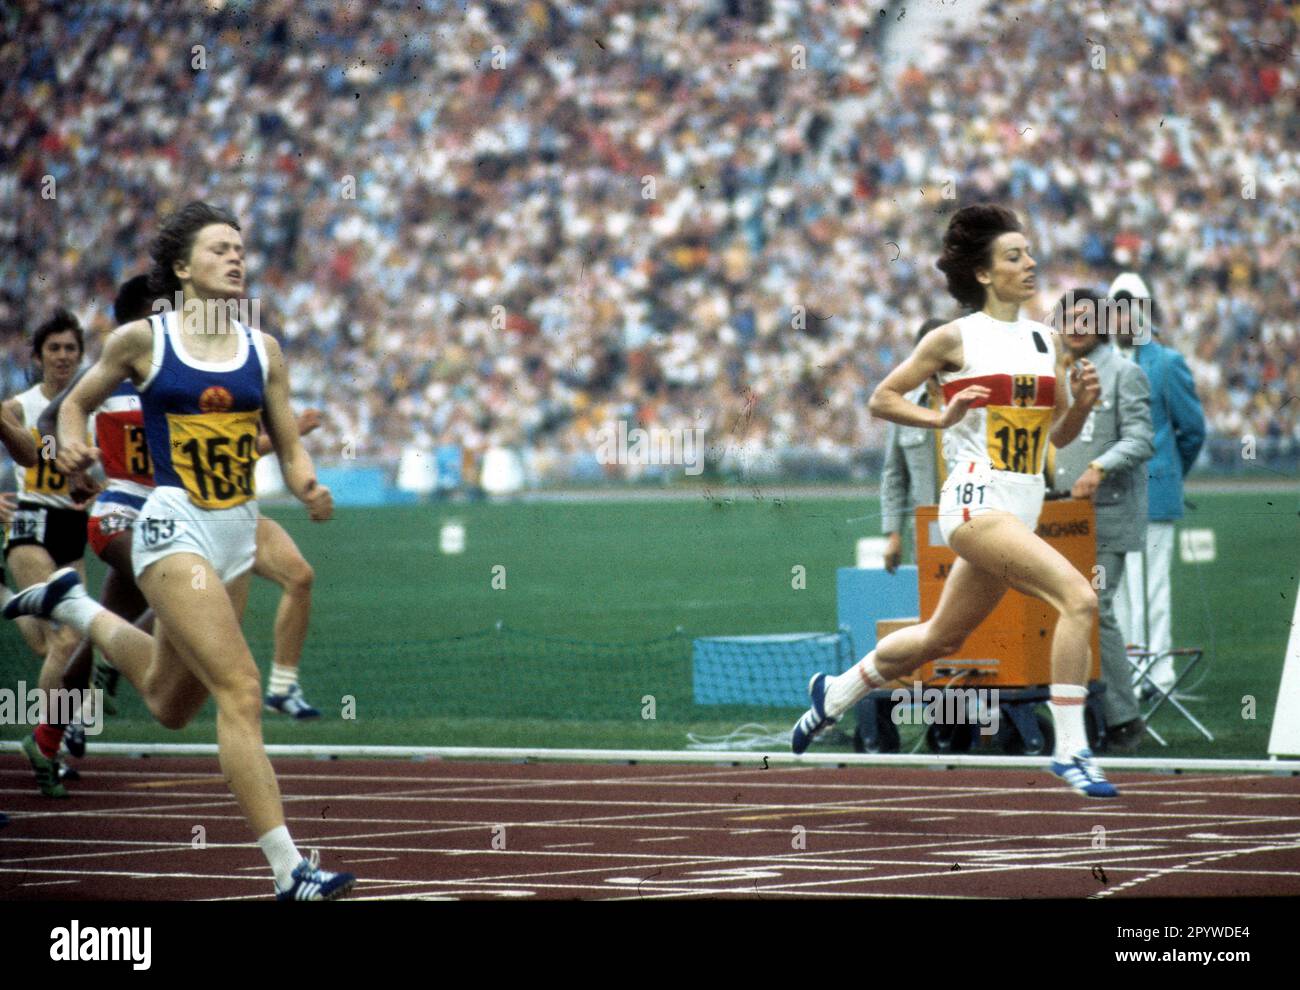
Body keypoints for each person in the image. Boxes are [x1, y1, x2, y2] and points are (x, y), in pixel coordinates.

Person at [4, 202, 353, 899]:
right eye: (220, 248)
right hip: (173, 527)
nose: (236, 258)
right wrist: (71, 436)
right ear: (183, 268)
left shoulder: (265, 350)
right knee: (242, 690)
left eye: (240, 248)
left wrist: (310, 486)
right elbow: (72, 403)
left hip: (235, 534)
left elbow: (286, 445)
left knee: (170, 701)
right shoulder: (143, 340)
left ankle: (74, 607)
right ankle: (291, 870)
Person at [790, 203, 1117, 797]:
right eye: (1014, 255)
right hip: (973, 502)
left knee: (942, 638)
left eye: (1030, 252)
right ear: (985, 274)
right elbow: (881, 399)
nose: (1031, 262)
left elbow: (1056, 440)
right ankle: (1071, 750)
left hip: (1020, 507)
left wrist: (1085, 406)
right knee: (1078, 598)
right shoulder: (954, 338)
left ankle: (834, 692)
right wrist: (940, 418)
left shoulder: (1048, 342)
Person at [1046, 288, 1154, 754]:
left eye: (1087, 318)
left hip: (1106, 514)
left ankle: (1124, 719)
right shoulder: (1053, 375)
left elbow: (1142, 439)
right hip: (1058, 513)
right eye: (1069, 317)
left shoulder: (1125, 373)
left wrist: (1100, 467)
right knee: (1063, 609)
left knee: (1096, 607)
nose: (1076, 326)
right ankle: (1080, 716)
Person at [2, 311, 95, 796]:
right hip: (31, 523)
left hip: (71, 527)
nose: (63, 357)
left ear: (82, 357)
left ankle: (3, 598)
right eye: (54, 349)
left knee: (59, 646)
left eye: (71, 349)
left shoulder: (86, 408)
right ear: (38, 357)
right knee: (65, 641)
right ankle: (50, 744)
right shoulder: (19, 406)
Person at [1106, 273, 1207, 695]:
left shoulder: (1166, 363)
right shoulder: (1100, 363)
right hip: (1111, 498)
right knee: (1119, 592)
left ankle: (1159, 674)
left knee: (1152, 588)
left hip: (1154, 494)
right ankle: (1130, 672)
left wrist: (1168, 474)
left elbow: (1193, 430)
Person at [880, 318, 947, 572]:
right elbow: (894, 475)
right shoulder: (902, 406)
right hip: (927, 531)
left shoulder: (977, 403)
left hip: (974, 527)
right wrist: (893, 534)